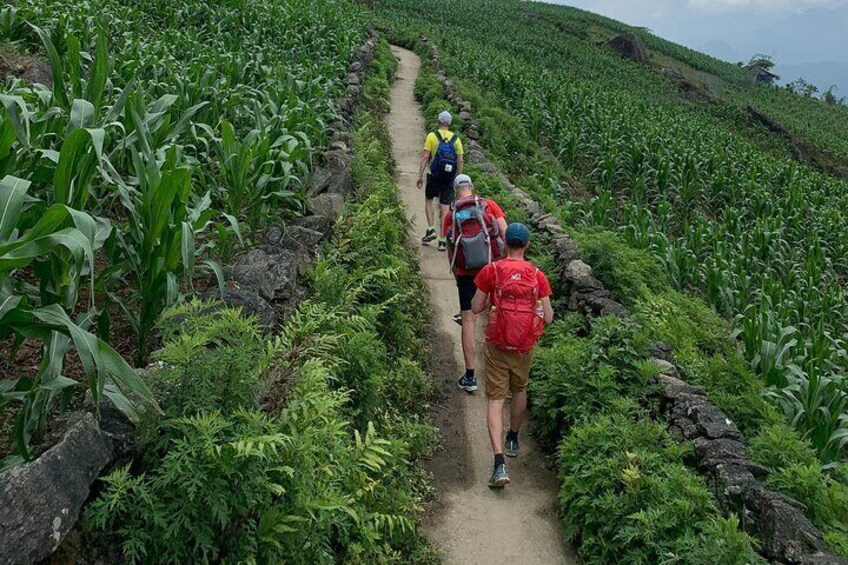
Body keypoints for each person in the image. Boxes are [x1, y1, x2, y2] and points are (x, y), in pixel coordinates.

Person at [471, 223, 554, 488]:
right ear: (527, 245)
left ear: (504, 243)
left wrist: (491, 303)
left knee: (495, 400)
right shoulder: (537, 275)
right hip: (524, 346)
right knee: (519, 390)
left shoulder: (492, 270)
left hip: (497, 344)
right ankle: (513, 439)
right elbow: (549, 317)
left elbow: (475, 307)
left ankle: (499, 464)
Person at [443, 174, 507, 394]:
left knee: (468, 319)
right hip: (492, 268)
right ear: (472, 187)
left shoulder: (451, 214)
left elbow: (451, 252)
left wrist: (456, 276)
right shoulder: (489, 205)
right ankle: (501, 375)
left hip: (465, 273)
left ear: (454, 191)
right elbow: (505, 233)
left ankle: (470, 376)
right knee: (496, 314)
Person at [417, 111, 464, 251]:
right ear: (449, 123)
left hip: (434, 175)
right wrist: (458, 178)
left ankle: (431, 228)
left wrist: (419, 176)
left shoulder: (432, 136)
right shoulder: (456, 139)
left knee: (429, 199)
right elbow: (460, 159)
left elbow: (426, 157)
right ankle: (443, 240)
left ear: (438, 121)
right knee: (445, 207)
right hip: (449, 178)